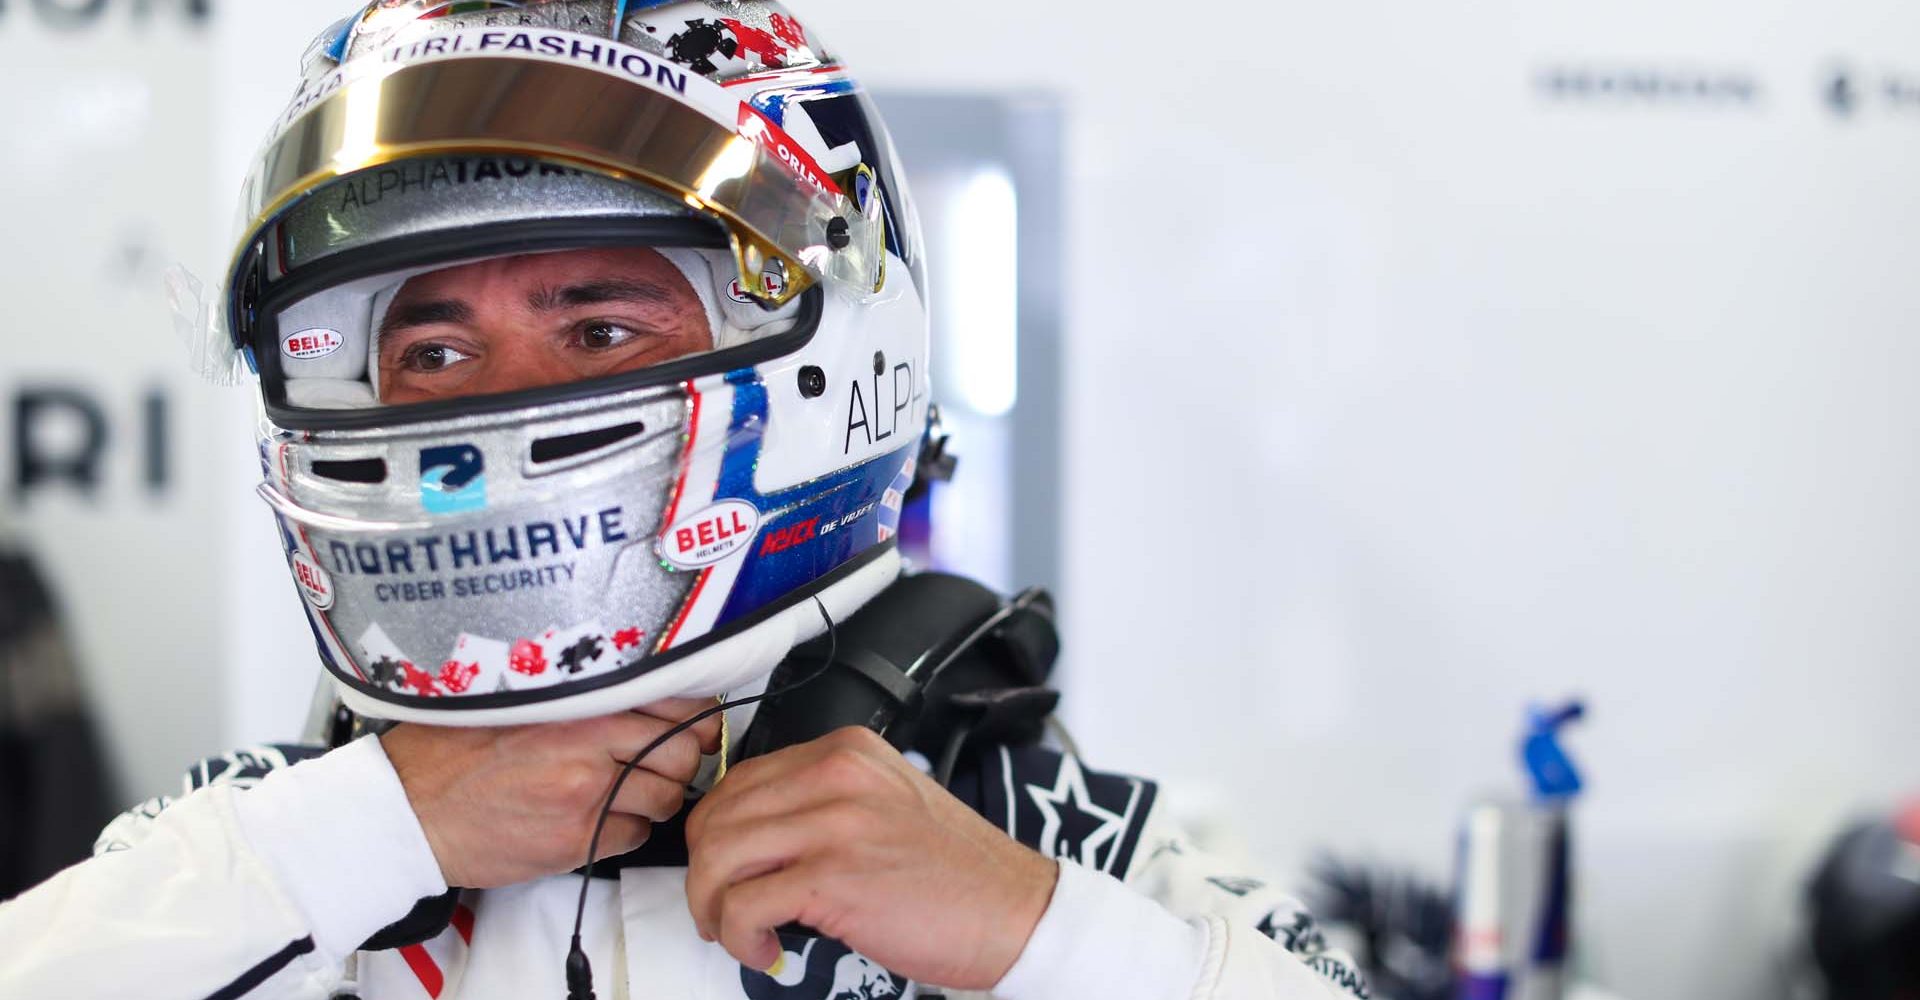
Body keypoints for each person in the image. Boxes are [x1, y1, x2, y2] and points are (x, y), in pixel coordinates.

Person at [0, 4, 1372, 999]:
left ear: (843, 357)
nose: (494, 399)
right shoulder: (264, 843)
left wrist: (1041, 940)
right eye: (431, 351)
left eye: (599, 332)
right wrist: (369, 834)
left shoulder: (1049, 835)